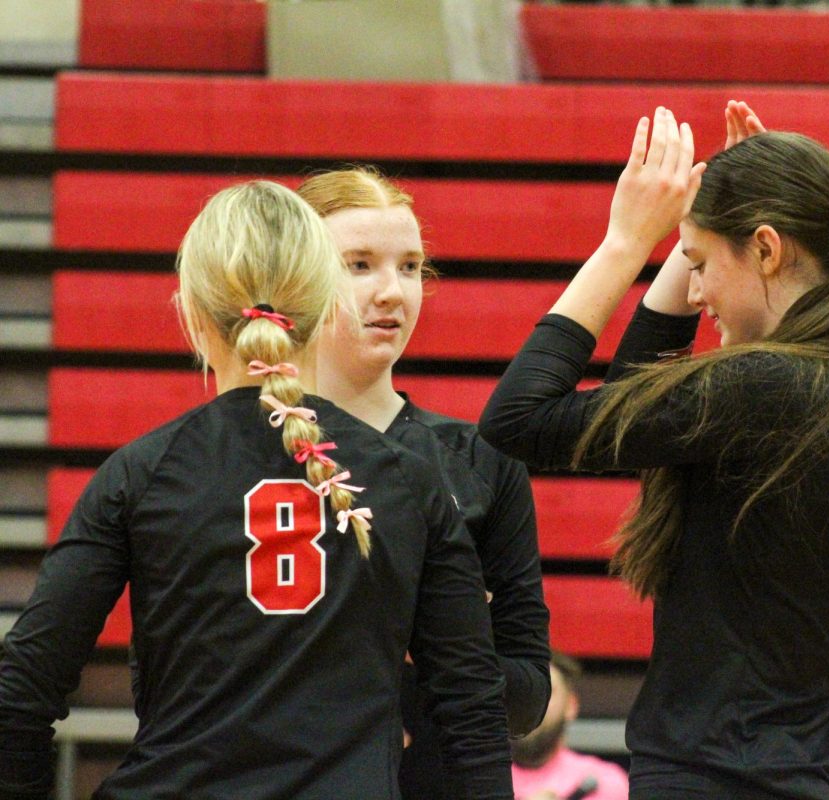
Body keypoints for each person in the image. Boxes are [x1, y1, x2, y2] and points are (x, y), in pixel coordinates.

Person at [478, 102, 829, 799]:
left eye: (699, 264)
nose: (696, 292)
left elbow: (519, 420)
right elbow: (642, 411)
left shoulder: (768, 389)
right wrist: (709, 224)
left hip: (719, 776)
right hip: (821, 775)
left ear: (766, 248)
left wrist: (625, 243)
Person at [0, 181, 513, 800]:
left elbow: (20, 696)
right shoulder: (409, 477)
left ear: (188, 311)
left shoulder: (140, 474)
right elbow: (475, 718)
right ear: (329, 309)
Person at [296, 169, 551, 797]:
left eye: (409, 267)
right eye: (359, 264)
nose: (392, 292)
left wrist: (439, 636)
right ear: (292, 278)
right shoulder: (236, 451)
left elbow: (525, 698)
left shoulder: (481, 459)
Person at [511, 652, 629, 800]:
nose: (532, 705)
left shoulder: (607, 784)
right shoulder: (478, 782)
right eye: (521, 693)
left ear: (571, 705)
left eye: (545, 692)